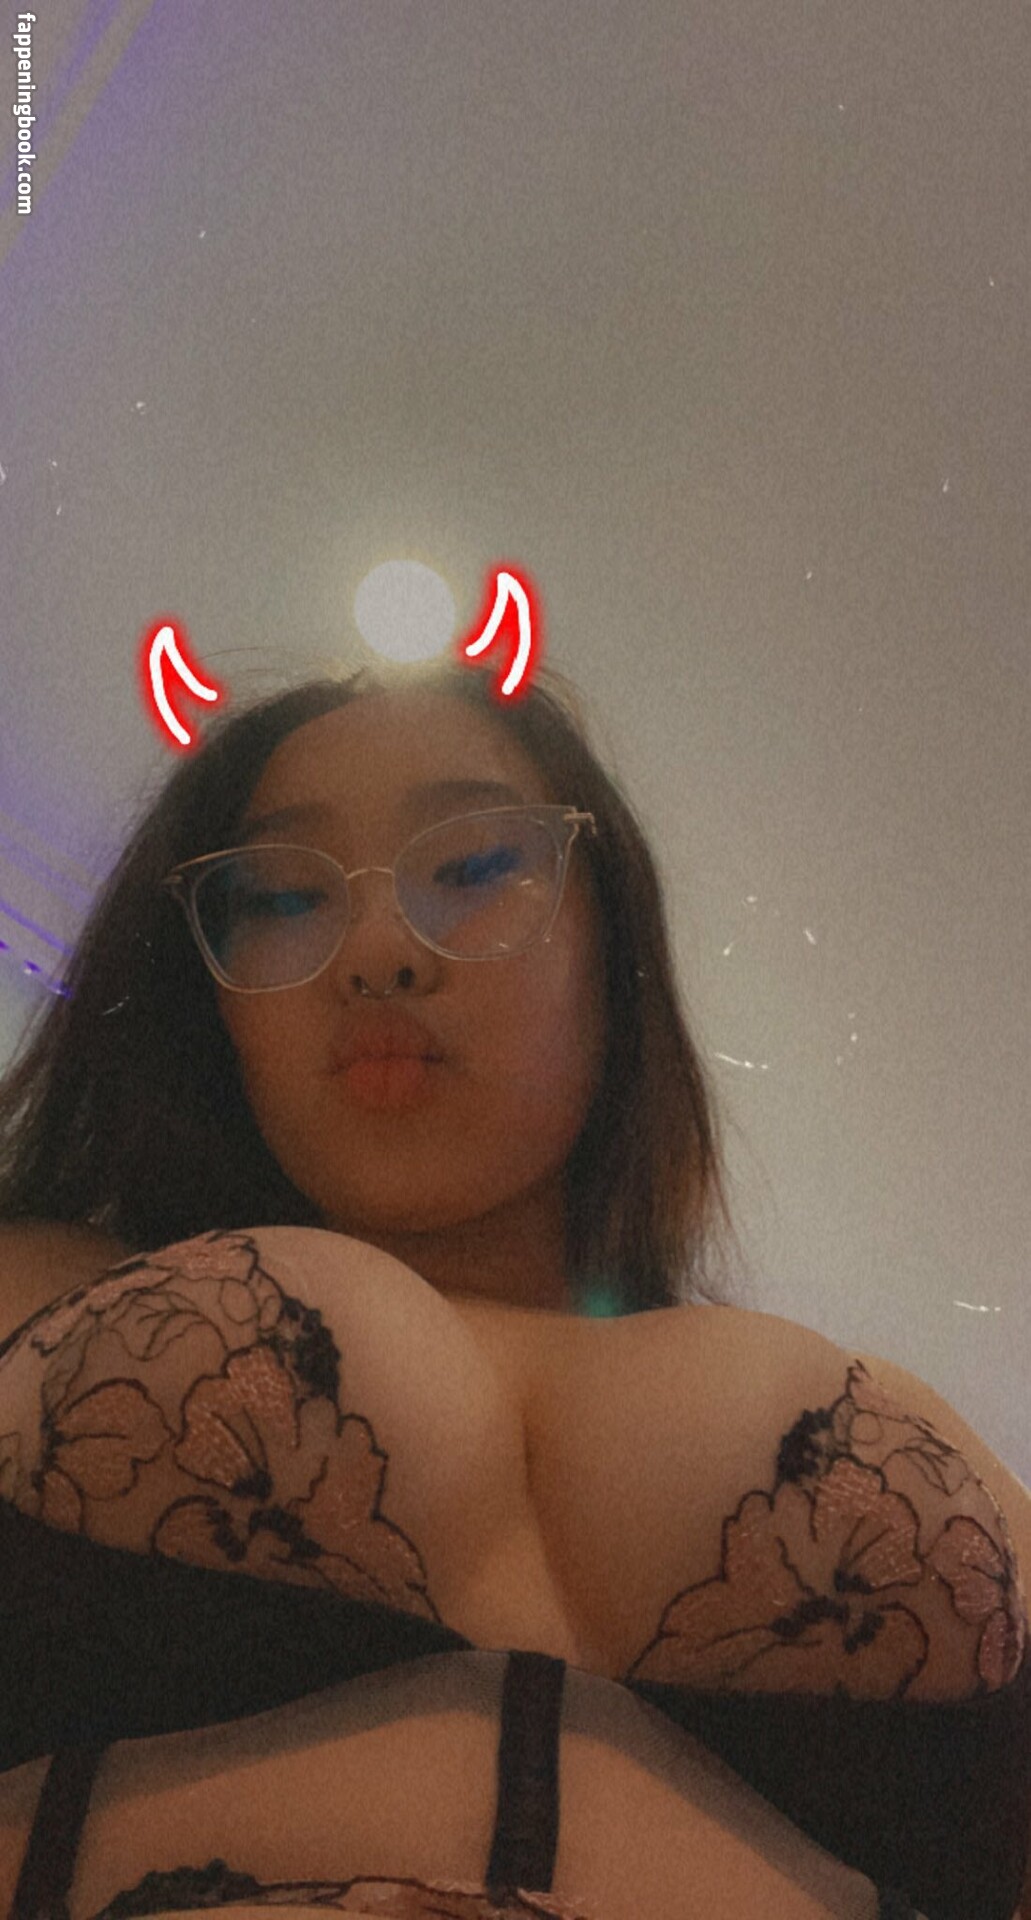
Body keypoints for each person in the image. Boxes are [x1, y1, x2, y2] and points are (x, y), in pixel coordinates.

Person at [0, 655, 1027, 1920]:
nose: (377, 952)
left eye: (478, 867)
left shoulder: (914, 1430)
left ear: (614, 942)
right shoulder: (36, 1287)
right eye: (280, 897)